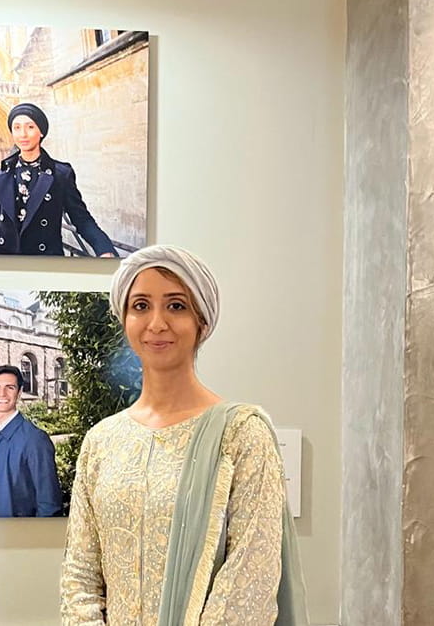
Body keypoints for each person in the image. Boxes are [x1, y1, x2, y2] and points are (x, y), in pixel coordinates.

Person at [60, 245, 308, 625]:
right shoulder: (102, 442)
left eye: (176, 306)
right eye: (140, 306)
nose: (156, 323)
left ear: (202, 323)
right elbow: (80, 574)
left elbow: (250, 583)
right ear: (124, 319)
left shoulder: (241, 435)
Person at [0, 103, 116, 258]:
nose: (23, 134)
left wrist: (104, 249)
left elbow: (82, 219)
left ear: (41, 132)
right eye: (17, 128)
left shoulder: (60, 174)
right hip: (6, 265)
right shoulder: (3, 174)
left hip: (45, 266)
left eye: (30, 127)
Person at [0, 364, 63, 518]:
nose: (2, 393)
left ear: (19, 393)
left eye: (10, 387)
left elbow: (49, 505)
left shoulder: (35, 440)